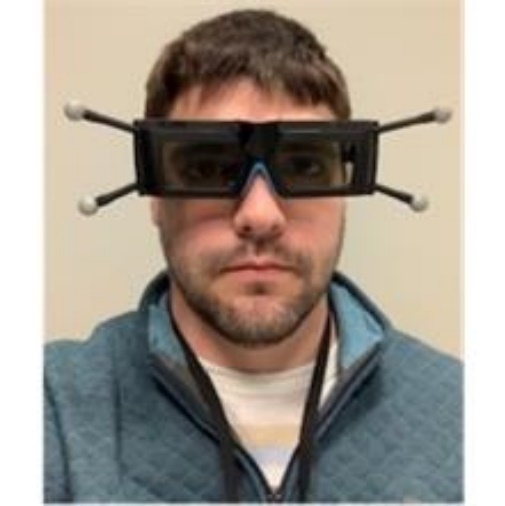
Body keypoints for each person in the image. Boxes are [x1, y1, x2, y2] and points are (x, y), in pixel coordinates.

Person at [44, 8, 462, 503]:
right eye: (206, 168)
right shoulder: (51, 411)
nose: (260, 215)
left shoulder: (464, 417)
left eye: (304, 166)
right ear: (154, 195)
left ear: (344, 188)